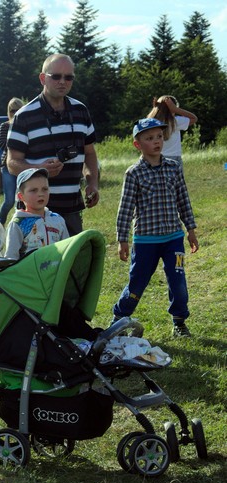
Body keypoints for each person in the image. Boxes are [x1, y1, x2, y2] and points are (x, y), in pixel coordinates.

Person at [111, 118, 199, 338]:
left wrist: (190, 229)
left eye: (159, 136)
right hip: (145, 242)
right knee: (136, 284)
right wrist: (122, 239)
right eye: (149, 138)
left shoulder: (173, 168)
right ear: (138, 144)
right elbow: (125, 208)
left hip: (173, 239)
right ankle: (119, 319)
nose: (157, 141)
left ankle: (179, 322)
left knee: (178, 283)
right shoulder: (133, 173)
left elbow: (183, 200)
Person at [6, 53, 100, 236]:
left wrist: (92, 183)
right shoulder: (24, 116)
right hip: (34, 214)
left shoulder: (81, 111)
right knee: (37, 256)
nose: (62, 82)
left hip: (71, 209)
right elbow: (12, 163)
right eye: (56, 76)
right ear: (43, 78)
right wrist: (39, 170)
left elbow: (89, 153)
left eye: (69, 77)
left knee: (73, 255)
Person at [3, 168, 69, 259]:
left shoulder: (58, 220)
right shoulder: (18, 223)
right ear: (21, 196)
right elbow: (11, 257)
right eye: (33, 190)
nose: (40, 194)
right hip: (29, 268)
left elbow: (67, 250)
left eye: (45, 189)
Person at [0, 97, 26, 225]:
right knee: (9, 200)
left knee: (22, 200)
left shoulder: (27, 126)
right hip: (7, 167)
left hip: (24, 166)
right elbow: (2, 144)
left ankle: (19, 226)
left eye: (18, 110)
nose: (15, 113)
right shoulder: (5, 126)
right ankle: (0, 223)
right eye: (12, 110)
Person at [148, 95, 197, 167]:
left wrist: (156, 109)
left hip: (155, 159)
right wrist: (176, 109)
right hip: (174, 159)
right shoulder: (175, 121)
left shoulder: (150, 122)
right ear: (172, 109)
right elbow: (194, 118)